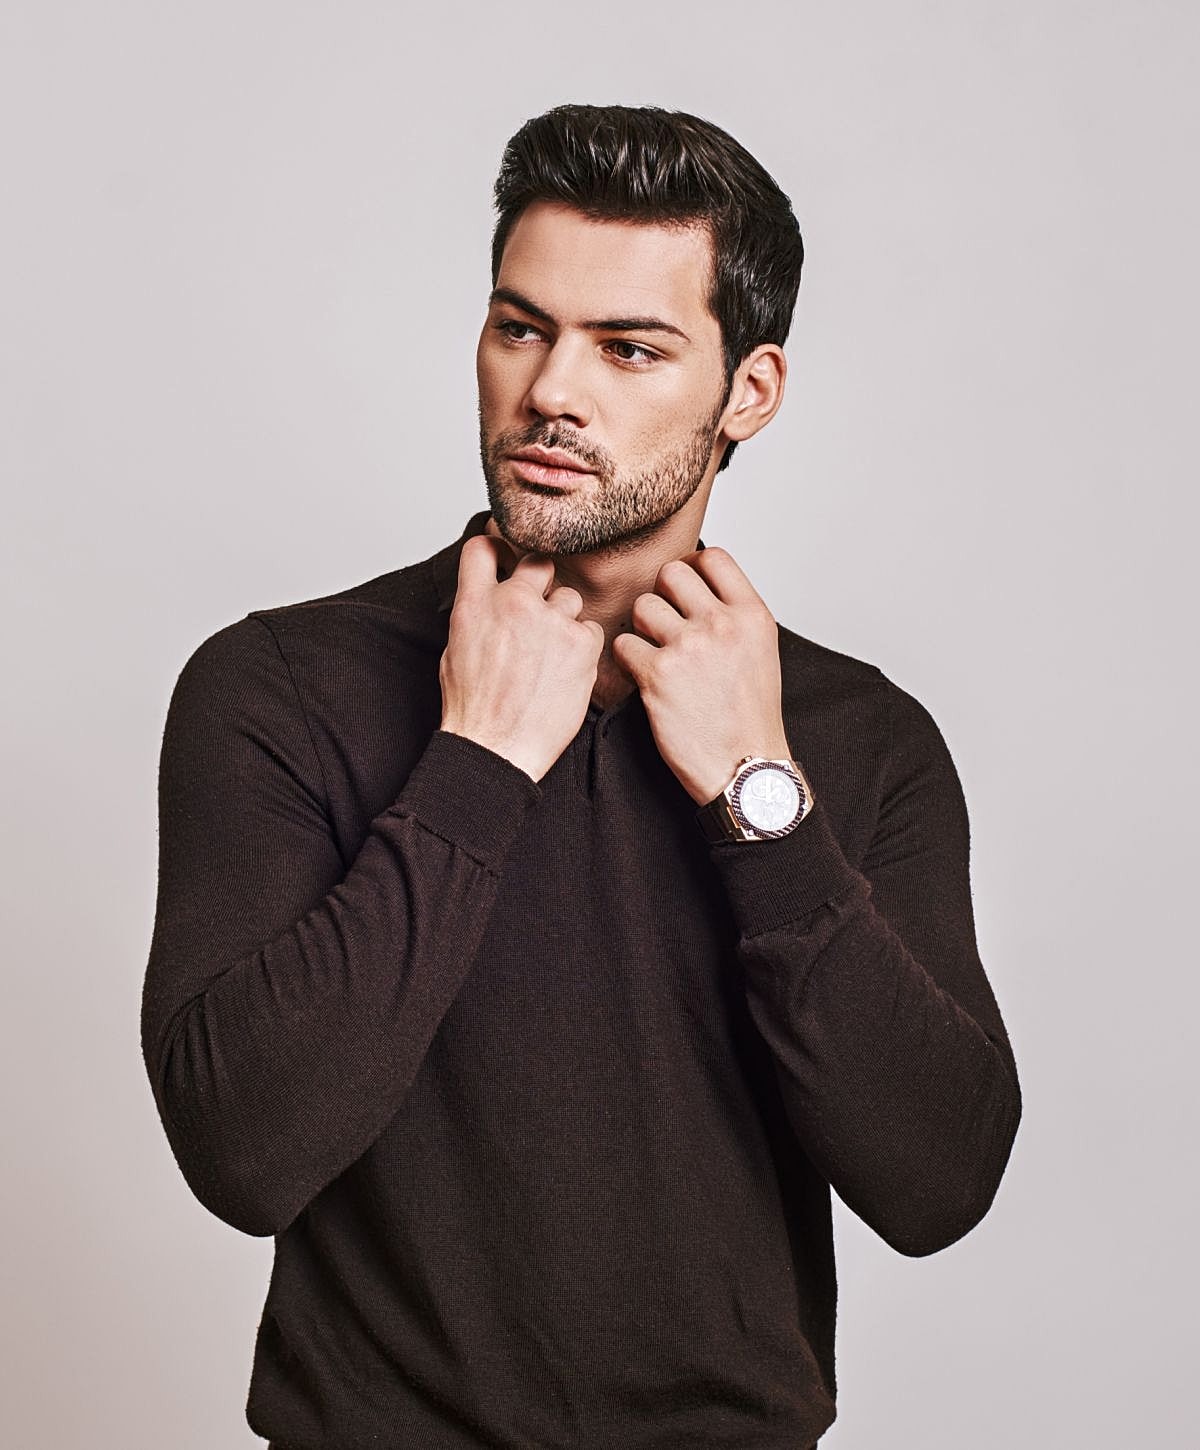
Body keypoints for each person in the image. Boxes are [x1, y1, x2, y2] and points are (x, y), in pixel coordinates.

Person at [142, 104, 1021, 1448]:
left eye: (629, 348)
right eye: (520, 327)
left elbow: (939, 1179)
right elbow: (243, 1150)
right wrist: (477, 761)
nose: (554, 388)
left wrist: (758, 795)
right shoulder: (280, 689)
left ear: (750, 392)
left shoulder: (856, 740)